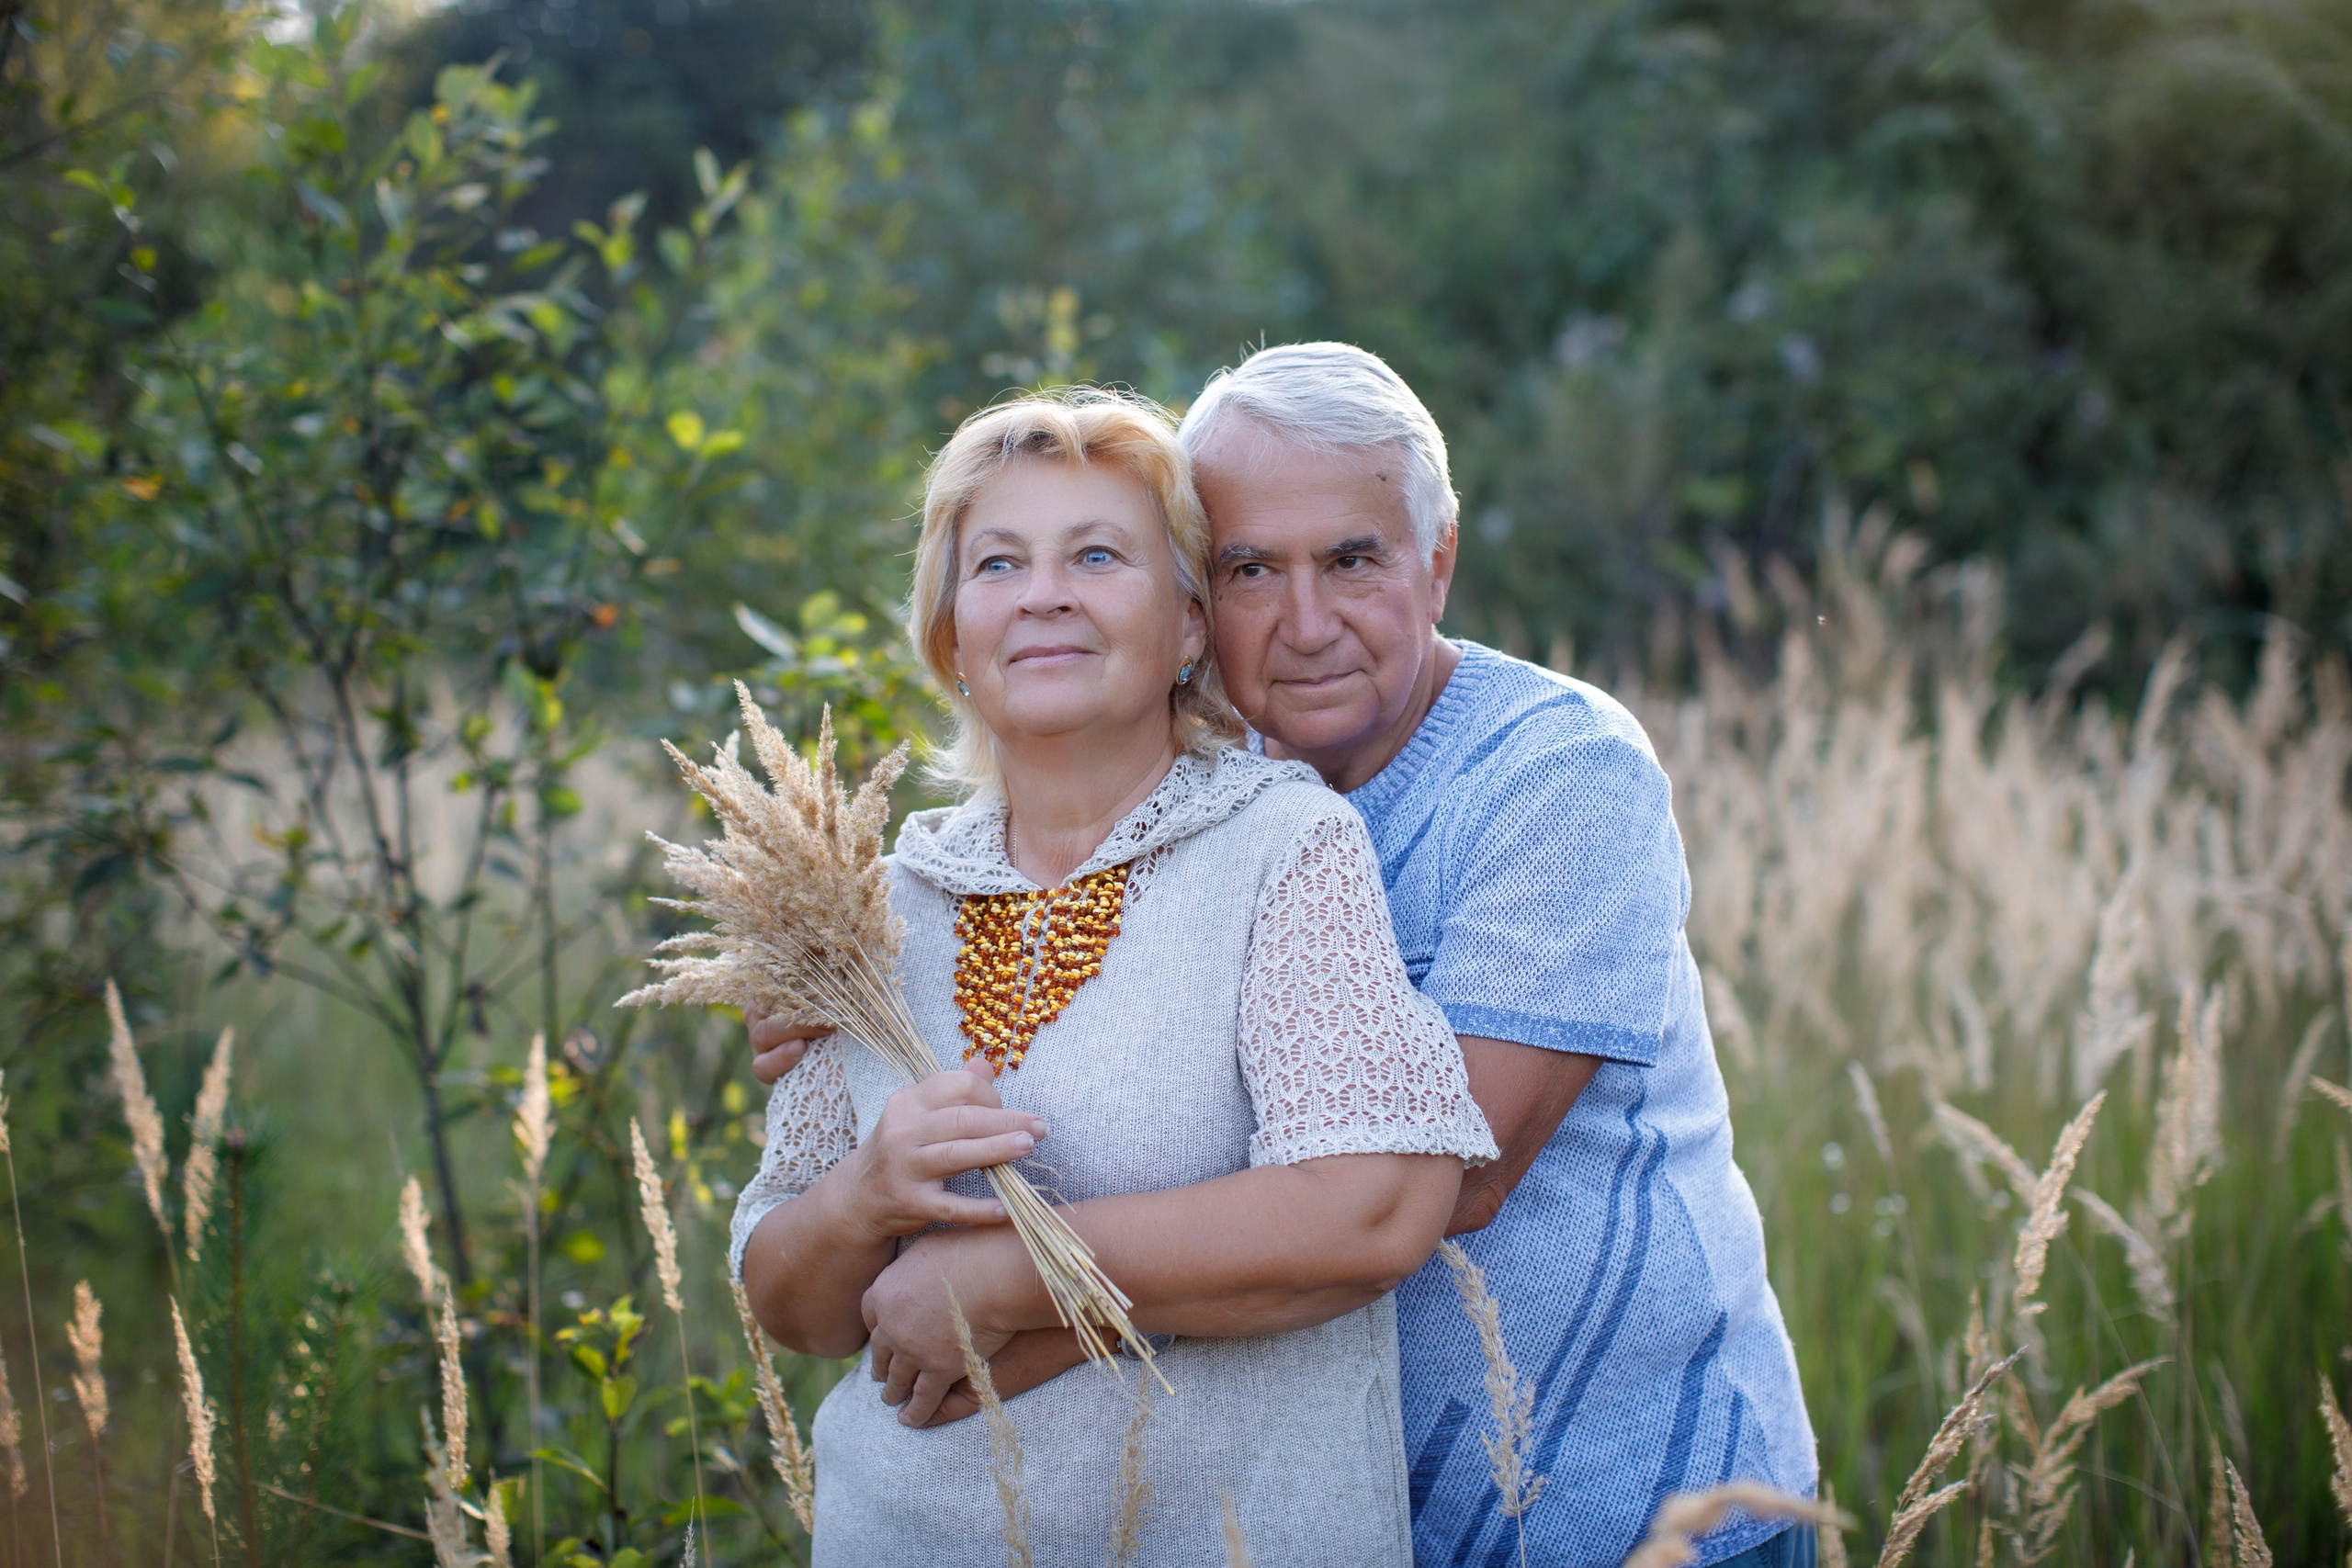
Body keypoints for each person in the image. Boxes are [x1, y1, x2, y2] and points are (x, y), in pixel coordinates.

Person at [753, 346, 1815, 1568]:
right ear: (1202, 602)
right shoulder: (1187, 788)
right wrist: (849, 1010)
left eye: (1353, 559)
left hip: (1608, 1499)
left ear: (1441, 558)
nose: (1307, 624)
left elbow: (1435, 1178)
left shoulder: (1556, 772)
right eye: (1254, 567)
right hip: (1307, 1502)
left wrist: (1014, 1301)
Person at [729, 386, 1497, 1567]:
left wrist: (1016, 1268)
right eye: (998, 564)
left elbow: (1370, 1208)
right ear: (950, 636)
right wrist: (862, 1193)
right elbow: (797, 1307)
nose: (1045, 593)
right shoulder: (872, 907)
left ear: (1189, 626)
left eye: (1097, 554)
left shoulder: (1277, 846)